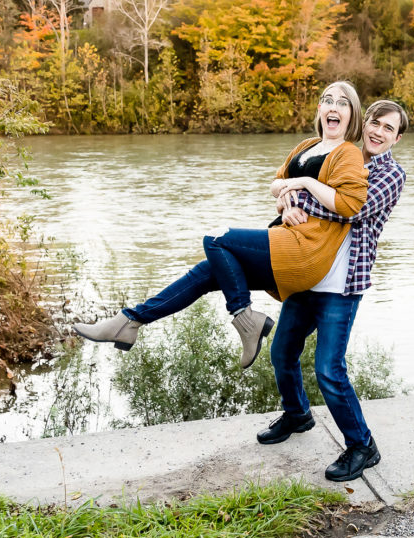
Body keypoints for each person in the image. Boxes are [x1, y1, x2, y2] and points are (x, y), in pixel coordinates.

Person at [72, 82, 368, 369]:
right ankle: (130, 321)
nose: (334, 107)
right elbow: (276, 182)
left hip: (309, 250)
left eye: (343, 103)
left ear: (351, 115)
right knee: (208, 272)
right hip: (286, 238)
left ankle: (244, 317)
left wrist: (303, 182)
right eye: (328, 100)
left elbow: (349, 203)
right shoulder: (308, 146)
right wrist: (286, 199)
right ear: (319, 109)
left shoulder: (347, 153)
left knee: (216, 239)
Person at [256, 100, 409, 482]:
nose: (378, 131)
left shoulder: (392, 175)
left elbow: (350, 209)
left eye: (388, 129)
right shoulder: (337, 155)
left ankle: (362, 446)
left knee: (329, 369)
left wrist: (298, 190)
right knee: (282, 352)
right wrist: (285, 201)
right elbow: (288, 185)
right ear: (364, 122)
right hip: (309, 271)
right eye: (375, 122)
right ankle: (298, 415)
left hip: (342, 284)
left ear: (397, 138)